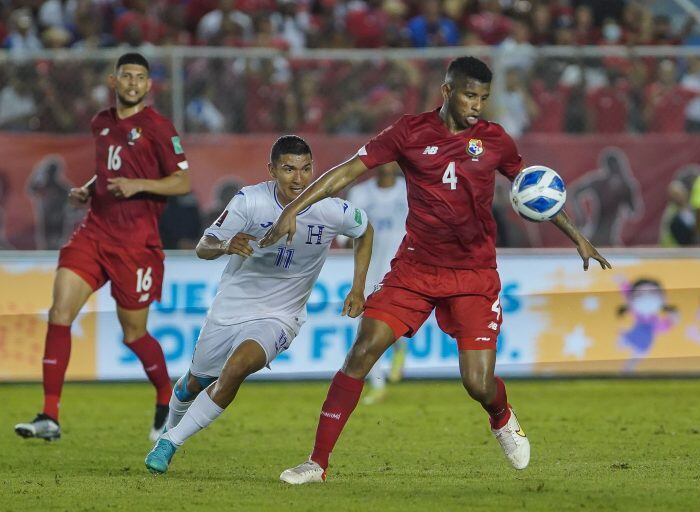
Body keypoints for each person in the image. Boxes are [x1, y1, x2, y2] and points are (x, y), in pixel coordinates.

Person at [259, 56, 611, 484]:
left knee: (478, 383)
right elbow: (345, 173)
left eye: (483, 97)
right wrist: (292, 208)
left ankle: (501, 415)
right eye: (469, 94)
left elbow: (534, 191)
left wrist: (576, 236)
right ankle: (317, 463)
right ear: (447, 92)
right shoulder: (408, 132)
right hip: (416, 269)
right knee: (362, 350)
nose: (477, 104)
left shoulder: (496, 140)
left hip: (474, 274)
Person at [144, 135, 374, 474]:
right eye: (289, 169)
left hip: (281, 316)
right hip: (231, 309)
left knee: (235, 369)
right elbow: (203, 247)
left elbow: (365, 231)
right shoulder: (250, 202)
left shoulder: (330, 208)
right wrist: (225, 245)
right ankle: (170, 431)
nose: (299, 178)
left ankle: (169, 443)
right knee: (195, 381)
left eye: (306, 169)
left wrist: (359, 287)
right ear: (272, 171)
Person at [14, 53, 191, 442]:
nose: (132, 83)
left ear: (148, 85)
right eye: (126, 76)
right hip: (94, 234)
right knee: (59, 312)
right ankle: (50, 415)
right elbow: (111, 169)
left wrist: (139, 186)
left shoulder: (159, 128)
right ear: (114, 81)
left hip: (135, 245)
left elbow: (182, 183)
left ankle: (166, 396)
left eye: (140, 77)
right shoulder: (102, 122)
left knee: (133, 334)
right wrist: (90, 188)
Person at [344, 162, 408, 405]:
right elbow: (346, 232)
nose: (389, 163)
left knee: (394, 322)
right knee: (368, 327)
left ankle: (399, 346)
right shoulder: (360, 194)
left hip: (401, 269)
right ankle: (377, 383)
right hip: (369, 271)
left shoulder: (409, 190)